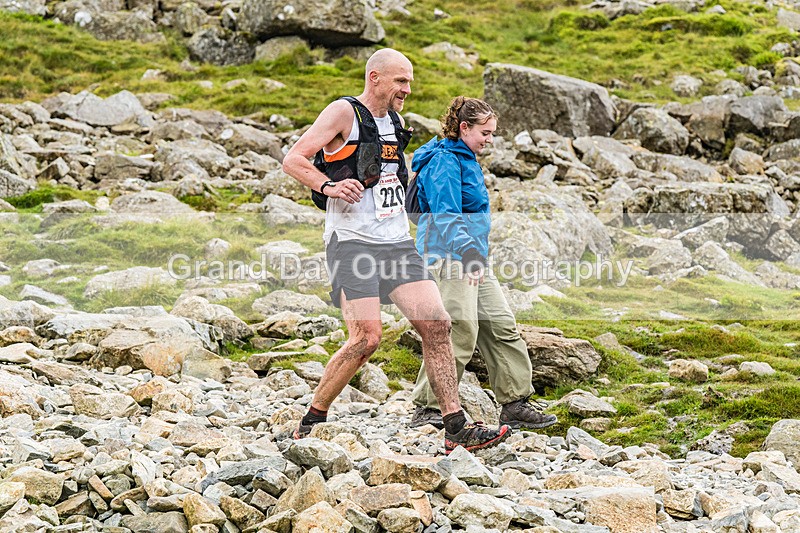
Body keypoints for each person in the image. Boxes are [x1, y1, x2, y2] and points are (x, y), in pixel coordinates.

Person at [281, 50, 510, 454]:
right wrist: (329, 186)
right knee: (366, 339)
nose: (407, 89)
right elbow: (293, 159)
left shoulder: (397, 123)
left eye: (410, 82)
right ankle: (312, 419)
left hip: (396, 242)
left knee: (437, 325)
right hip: (352, 243)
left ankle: (455, 426)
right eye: (401, 81)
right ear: (375, 77)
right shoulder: (343, 113)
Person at [408, 96, 558, 431]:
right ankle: (428, 408)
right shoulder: (444, 161)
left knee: (501, 325)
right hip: (448, 257)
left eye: (492, 133)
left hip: (472, 257)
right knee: (459, 330)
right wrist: (469, 252)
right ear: (464, 127)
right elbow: (446, 214)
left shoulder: (466, 157)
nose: (490, 140)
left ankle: (515, 403)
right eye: (485, 133)